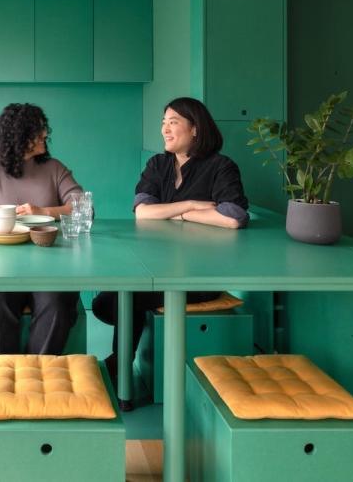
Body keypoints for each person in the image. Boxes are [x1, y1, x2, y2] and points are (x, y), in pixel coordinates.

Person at [91, 96, 249, 379]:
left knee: (126, 300)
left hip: (200, 276)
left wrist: (174, 214)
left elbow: (232, 218)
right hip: (155, 267)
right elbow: (142, 212)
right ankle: (124, 364)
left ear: (195, 129)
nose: (165, 129)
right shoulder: (158, 164)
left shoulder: (221, 166)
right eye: (163, 123)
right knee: (105, 302)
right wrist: (190, 205)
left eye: (173, 122)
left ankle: (120, 367)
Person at [0, 103, 84, 356]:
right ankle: (1, 378)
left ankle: (37, 374)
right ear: (19, 135)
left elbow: (83, 207)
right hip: (0, 267)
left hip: (51, 265)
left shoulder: (55, 168)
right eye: (38, 131)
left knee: (58, 303)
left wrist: (43, 211)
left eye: (45, 130)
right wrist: (2, 216)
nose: (45, 134)